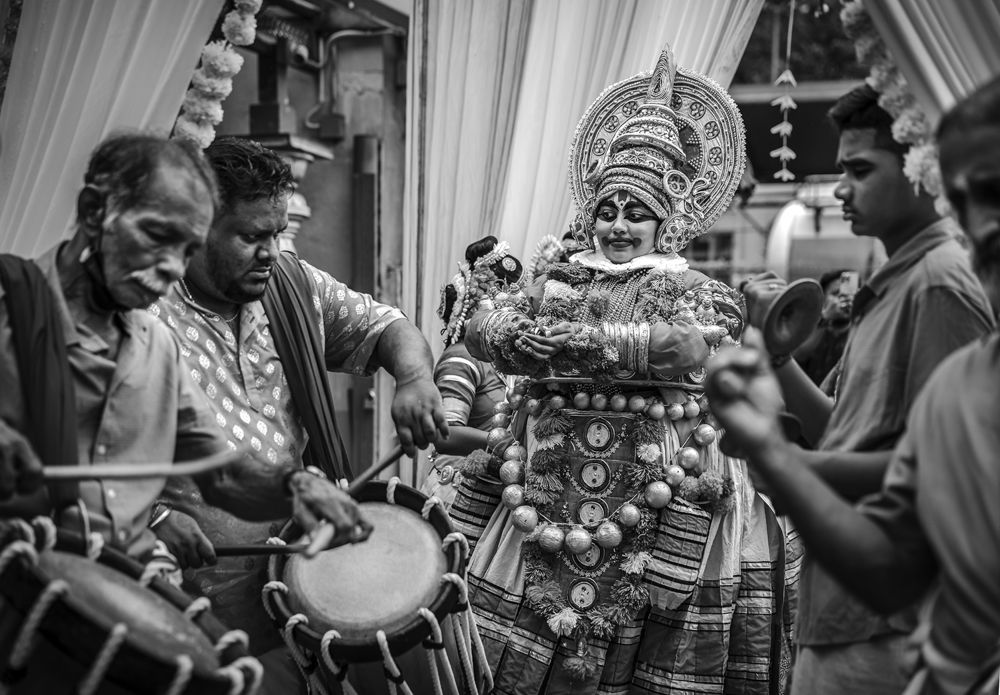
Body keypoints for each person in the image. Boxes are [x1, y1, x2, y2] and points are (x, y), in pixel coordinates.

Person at [451, 44, 793, 694]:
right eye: (606, 210)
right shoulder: (558, 277)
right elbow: (486, 328)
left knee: (654, 624)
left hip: (660, 484)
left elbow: (693, 348)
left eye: (636, 212)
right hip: (542, 480)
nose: (617, 226)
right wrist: (522, 333)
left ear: (667, 219)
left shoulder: (696, 287)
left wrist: (567, 346)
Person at [705, 73, 1000, 695]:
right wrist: (779, 364)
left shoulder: (940, 281)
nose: (840, 188)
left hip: (891, 629)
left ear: (924, 172)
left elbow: (930, 473)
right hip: (855, 598)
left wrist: (781, 461)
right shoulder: (899, 279)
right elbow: (848, 431)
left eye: (861, 171)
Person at [147, 137, 447, 684]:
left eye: (278, 233)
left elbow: (385, 327)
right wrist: (156, 519)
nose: (271, 251)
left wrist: (414, 376)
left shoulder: (290, 284)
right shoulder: (142, 320)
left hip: (300, 572)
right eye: (252, 236)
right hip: (189, 594)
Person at [0, 134, 367, 574]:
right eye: (158, 236)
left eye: (187, 249)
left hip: (123, 592)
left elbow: (223, 474)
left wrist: (295, 488)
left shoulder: (152, 344)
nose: (171, 267)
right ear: (94, 211)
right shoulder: (11, 309)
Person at [420, 236, 523, 518]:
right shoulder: (462, 357)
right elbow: (445, 433)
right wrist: (505, 443)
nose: (514, 308)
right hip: (458, 494)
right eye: (504, 299)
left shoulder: (508, 360)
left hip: (499, 491)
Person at [791, 268, 853, 385]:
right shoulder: (810, 326)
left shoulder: (860, 329)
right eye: (835, 294)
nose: (842, 299)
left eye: (848, 295)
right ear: (823, 298)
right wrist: (825, 317)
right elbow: (798, 357)